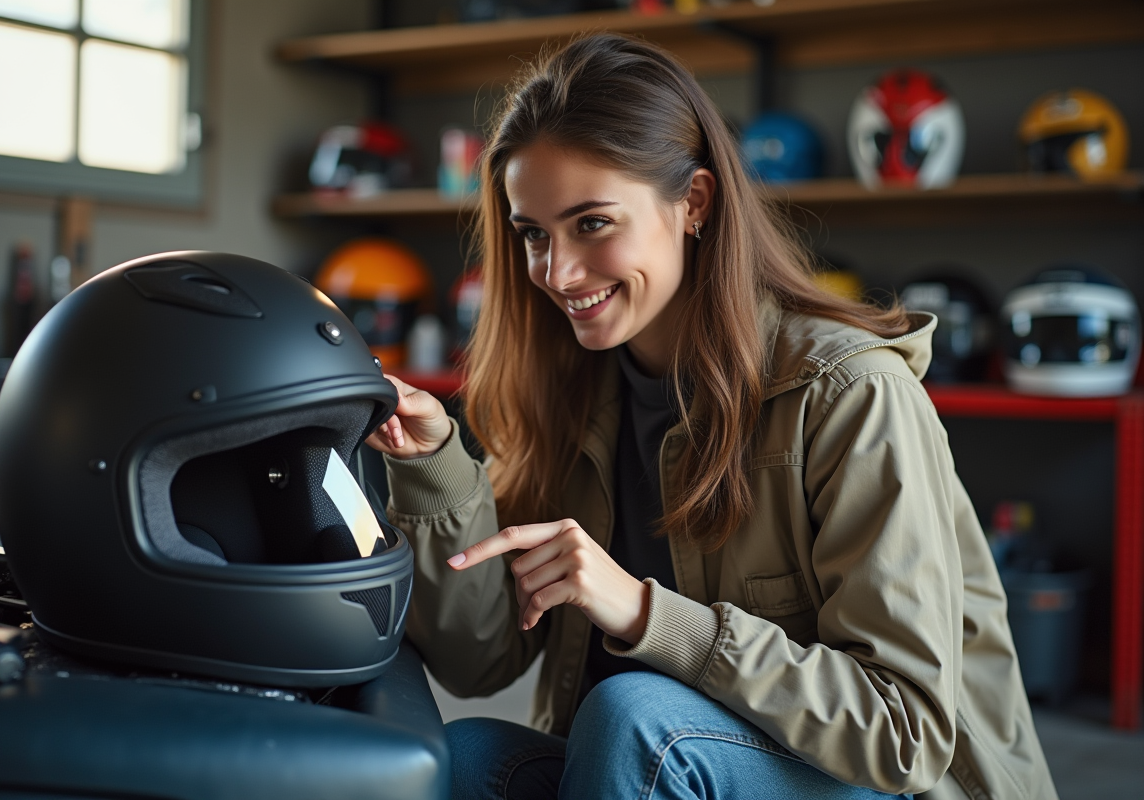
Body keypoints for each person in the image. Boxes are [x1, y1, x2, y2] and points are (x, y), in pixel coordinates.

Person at [366, 34, 1056, 800]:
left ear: (692, 202)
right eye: (534, 234)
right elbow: (479, 663)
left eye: (592, 223)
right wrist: (431, 472)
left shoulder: (849, 394)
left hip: (883, 783)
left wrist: (644, 614)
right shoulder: (571, 391)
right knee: (463, 760)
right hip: (657, 763)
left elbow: (905, 733)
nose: (555, 273)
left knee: (638, 720)